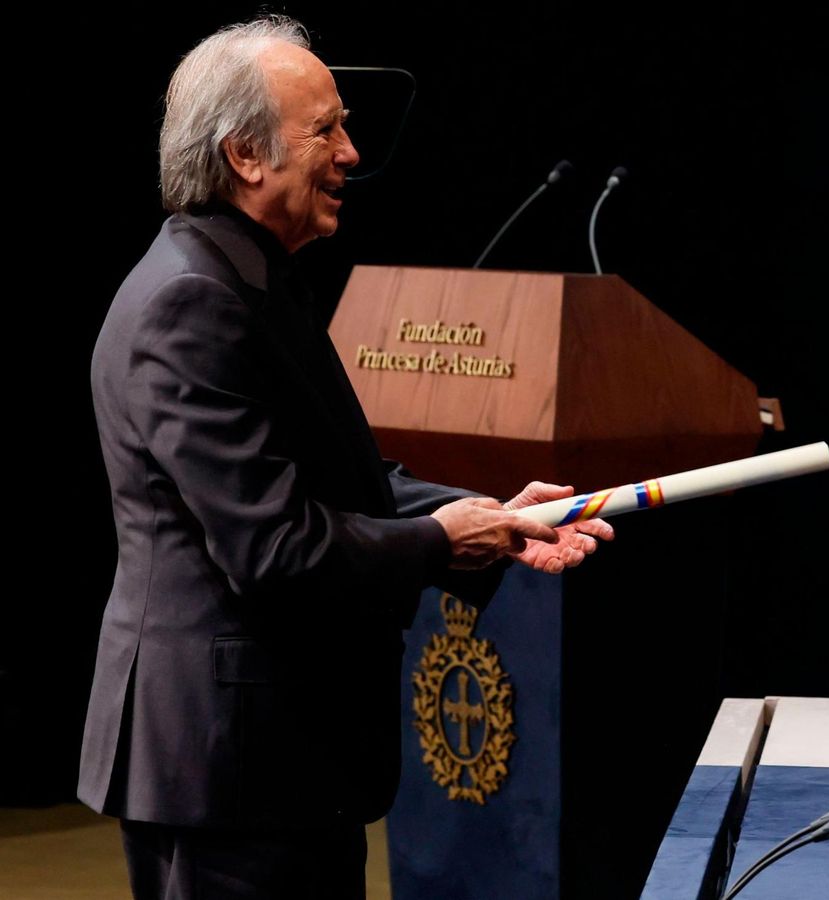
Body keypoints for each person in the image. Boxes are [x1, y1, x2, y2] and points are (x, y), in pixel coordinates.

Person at [81, 17, 612, 898]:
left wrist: (493, 518)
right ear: (245, 155)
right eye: (325, 130)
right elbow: (274, 547)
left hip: (275, 764)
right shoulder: (194, 303)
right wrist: (444, 539)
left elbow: (345, 482)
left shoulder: (248, 277)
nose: (351, 153)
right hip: (226, 771)